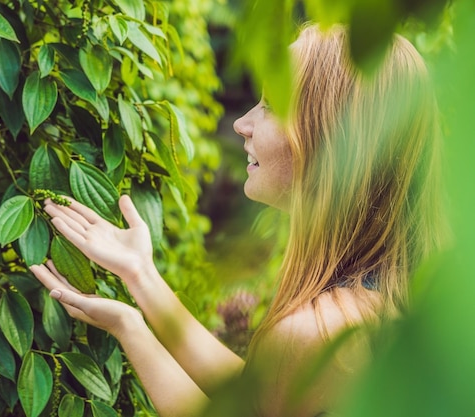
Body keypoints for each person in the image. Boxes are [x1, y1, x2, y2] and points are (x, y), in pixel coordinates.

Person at [30, 23, 444, 417]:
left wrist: (130, 328)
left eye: (269, 105)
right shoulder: (391, 296)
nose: (241, 124)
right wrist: (140, 279)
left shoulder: (313, 336)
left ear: (327, 138)